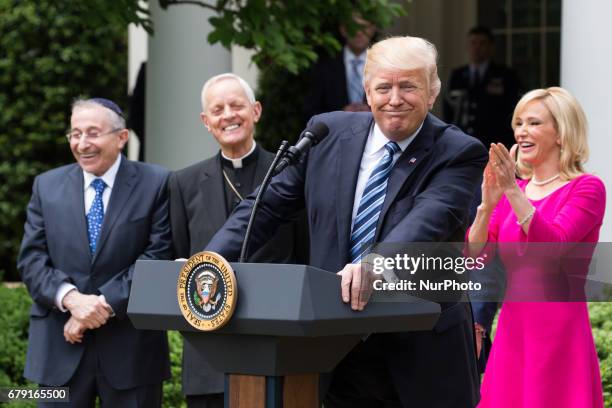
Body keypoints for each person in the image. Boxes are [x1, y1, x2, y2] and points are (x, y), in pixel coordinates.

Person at [206, 36, 487, 407]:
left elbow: (427, 221)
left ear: (432, 92)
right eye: (383, 87)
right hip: (334, 346)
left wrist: (376, 263)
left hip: (421, 351)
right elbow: (265, 206)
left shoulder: (459, 151)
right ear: (367, 92)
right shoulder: (325, 134)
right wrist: (208, 261)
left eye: (409, 86)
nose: (395, 98)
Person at [17, 98, 172, 407]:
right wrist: (71, 299)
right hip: (58, 349)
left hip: (132, 352)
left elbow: (159, 256)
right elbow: (31, 260)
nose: (82, 143)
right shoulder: (45, 186)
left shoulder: (157, 183)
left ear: (122, 137)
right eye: (75, 134)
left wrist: (96, 308)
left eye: (92, 133)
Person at [168, 73, 308, 408]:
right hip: (208, 354)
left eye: (236, 105)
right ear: (206, 121)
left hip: (276, 344)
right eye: (217, 109)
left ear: (256, 110)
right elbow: (177, 254)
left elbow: (305, 253)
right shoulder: (183, 183)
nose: (228, 115)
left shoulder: (289, 174)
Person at [467, 87, 605, 407]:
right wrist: (487, 205)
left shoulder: (586, 188)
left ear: (561, 133)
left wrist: (511, 192)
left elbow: (552, 247)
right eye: (518, 123)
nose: (521, 131)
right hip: (513, 332)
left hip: (560, 332)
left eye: (533, 123)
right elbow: (475, 257)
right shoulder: (514, 190)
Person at [444, 25, 521, 149]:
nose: (477, 48)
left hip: (495, 142)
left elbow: (514, 109)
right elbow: (448, 107)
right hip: (461, 141)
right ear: (467, 46)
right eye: (473, 43)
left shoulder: (506, 75)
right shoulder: (457, 75)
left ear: (491, 47)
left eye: (482, 43)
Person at [301, 15, 376, 123]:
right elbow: (309, 112)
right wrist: (340, 114)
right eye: (353, 27)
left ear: (373, 29)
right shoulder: (323, 65)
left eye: (364, 27)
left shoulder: (384, 64)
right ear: (343, 30)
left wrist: (373, 112)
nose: (359, 33)